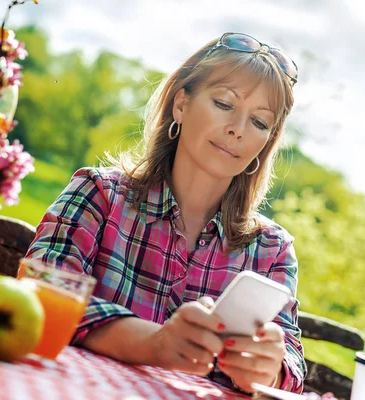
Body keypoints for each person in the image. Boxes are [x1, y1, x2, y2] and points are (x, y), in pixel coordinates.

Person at [25, 32, 305, 394]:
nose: (238, 129)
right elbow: (39, 290)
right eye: (223, 103)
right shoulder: (98, 195)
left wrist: (268, 369)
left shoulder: (273, 250)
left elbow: (292, 365)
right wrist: (153, 344)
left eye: (260, 122)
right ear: (181, 105)